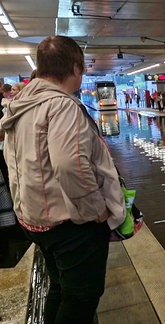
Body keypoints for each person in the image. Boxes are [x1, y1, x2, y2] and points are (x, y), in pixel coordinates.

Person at [0, 35, 125, 324]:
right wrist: (97, 210)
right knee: (82, 297)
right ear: (76, 68)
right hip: (69, 224)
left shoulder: (20, 105)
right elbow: (71, 166)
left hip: (35, 218)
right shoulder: (62, 106)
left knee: (60, 287)